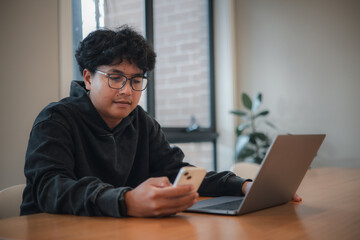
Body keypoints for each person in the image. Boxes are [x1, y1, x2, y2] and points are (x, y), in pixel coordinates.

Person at [21, 26, 300, 218]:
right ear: (88, 77)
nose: (127, 90)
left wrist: (243, 186)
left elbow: (179, 173)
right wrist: (126, 201)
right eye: (115, 77)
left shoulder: (141, 122)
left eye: (136, 80)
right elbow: (49, 188)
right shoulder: (56, 119)